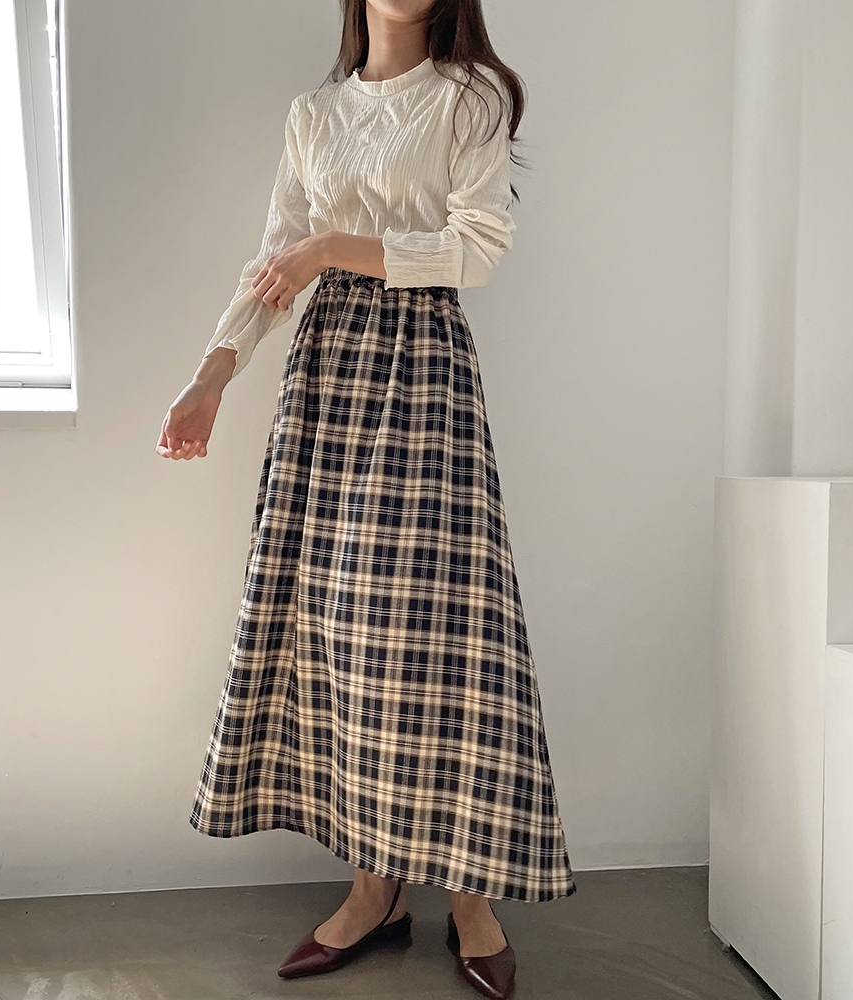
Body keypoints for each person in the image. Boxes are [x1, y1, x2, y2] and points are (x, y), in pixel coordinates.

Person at [156, 2, 576, 996]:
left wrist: (328, 250)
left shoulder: (468, 98)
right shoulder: (314, 114)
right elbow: (276, 256)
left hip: (421, 372)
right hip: (327, 380)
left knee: (445, 628)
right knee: (344, 632)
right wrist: (212, 375)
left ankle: (469, 894)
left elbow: (477, 248)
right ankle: (375, 887)